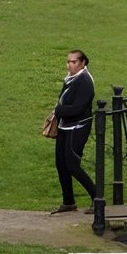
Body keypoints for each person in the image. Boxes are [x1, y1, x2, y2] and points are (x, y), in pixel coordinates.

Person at [50, 48, 100, 213]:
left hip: (78, 126)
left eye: (73, 62)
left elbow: (79, 107)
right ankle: (68, 202)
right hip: (65, 125)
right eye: (68, 61)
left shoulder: (84, 80)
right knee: (61, 164)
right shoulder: (72, 78)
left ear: (83, 63)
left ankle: (97, 198)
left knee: (72, 165)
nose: (69, 65)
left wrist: (59, 111)